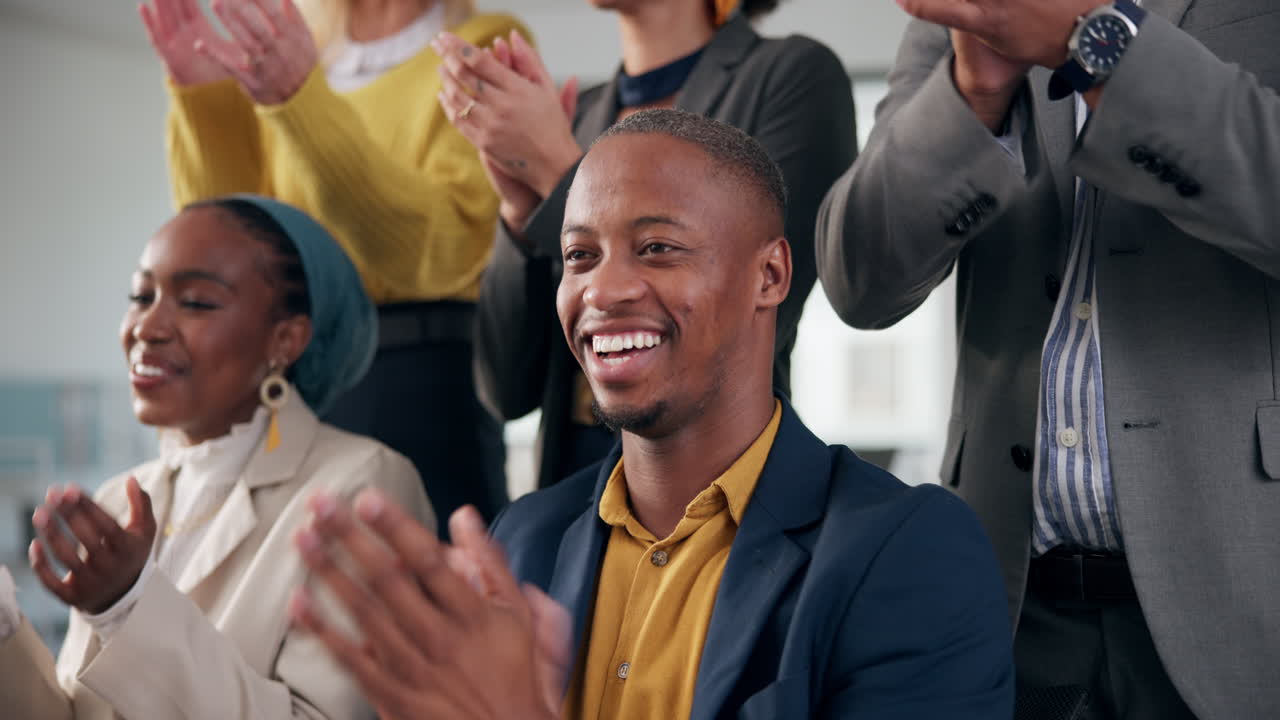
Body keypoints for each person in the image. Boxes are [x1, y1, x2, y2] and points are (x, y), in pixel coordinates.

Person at [287, 110, 1014, 719]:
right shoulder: (524, 541)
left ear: (771, 276)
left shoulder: (907, 549)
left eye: (657, 248)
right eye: (578, 255)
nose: (603, 290)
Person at [816, 0, 1280, 717]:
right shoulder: (965, 10)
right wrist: (972, 95)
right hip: (1005, 604)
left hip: (1244, 593)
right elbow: (860, 277)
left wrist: (1096, 46)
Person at [0, 196, 433, 719]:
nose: (147, 327)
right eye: (140, 296)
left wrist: (127, 608)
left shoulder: (362, 489)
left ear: (285, 340)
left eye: (197, 302)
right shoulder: (121, 498)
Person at [433, 0, 856, 488]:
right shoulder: (582, 114)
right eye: (582, 254)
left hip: (721, 488)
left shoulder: (790, 76)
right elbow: (506, 391)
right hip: (576, 491)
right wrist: (520, 214)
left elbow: (761, 319)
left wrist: (556, 170)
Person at [138, 0, 526, 530]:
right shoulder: (291, 54)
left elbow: (436, 253)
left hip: (419, 390)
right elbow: (236, 251)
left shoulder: (482, 43)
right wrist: (206, 101)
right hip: (285, 379)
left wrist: (300, 102)